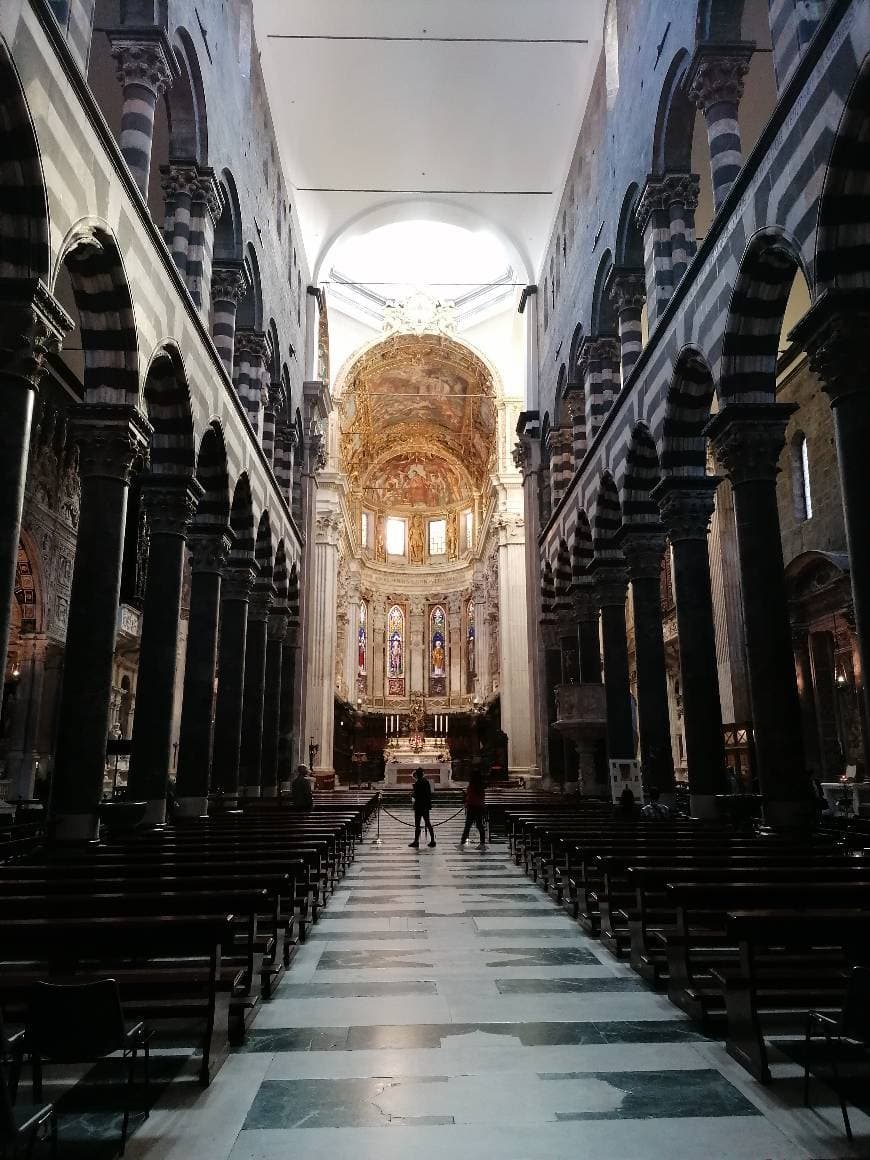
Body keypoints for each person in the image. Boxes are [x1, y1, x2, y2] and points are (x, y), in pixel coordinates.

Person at [460, 766, 486, 849]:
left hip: (472, 807)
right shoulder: (481, 785)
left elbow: (470, 796)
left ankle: (462, 842)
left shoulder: (472, 785)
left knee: (468, 825)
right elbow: (481, 796)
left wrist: (467, 801)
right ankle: (482, 843)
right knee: (479, 825)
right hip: (479, 806)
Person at [409, 767, 435, 848]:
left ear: (417, 774)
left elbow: (417, 795)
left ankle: (416, 841)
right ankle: (433, 840)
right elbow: (429, 794)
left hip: (419, 805)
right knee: (428, 823)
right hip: (425, 805)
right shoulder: (426, 781)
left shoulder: (418, 783)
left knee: (417, 824)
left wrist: (412, 794)